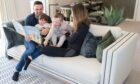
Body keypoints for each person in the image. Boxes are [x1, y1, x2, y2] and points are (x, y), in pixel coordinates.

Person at [12, 1, 51, 81]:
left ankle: (29, 58)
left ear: (43, 8)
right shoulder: (29, 18)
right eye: (36, 9)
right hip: (29, 40)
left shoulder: (47, 17)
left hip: (40, 41)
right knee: (32, 48)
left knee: (44, 48)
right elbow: (25, 33)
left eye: (40, 9)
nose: (39, 11)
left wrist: (47, 30)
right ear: (33, 9)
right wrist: (26, 36)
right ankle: (17, 70)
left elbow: (52, 28)